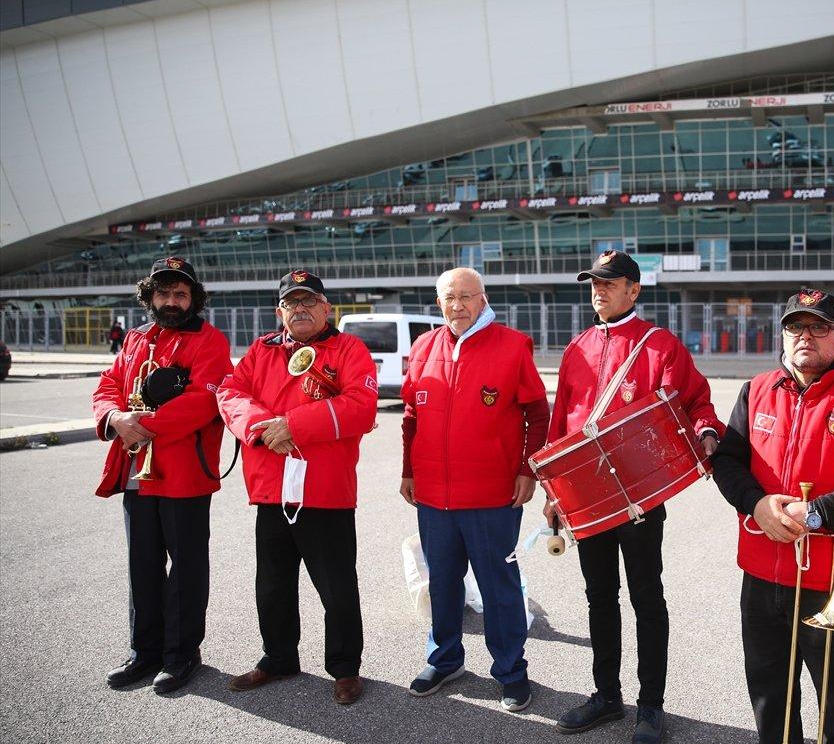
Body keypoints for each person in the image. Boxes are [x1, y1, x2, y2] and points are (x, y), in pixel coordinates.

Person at [712, 289, 834, 744]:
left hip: (829, 579)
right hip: (760, 578)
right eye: (795, 327)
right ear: (783, 335)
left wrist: (818, 513)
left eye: (818, 326)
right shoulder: (756, 389)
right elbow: (727, 462)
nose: (805, 336)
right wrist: (757, 505)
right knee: (769, 697)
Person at [547, 250, 723, 744]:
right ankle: (607, 695)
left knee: (647, 597)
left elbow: (696, 401)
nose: (598, 291)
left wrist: (707, 432)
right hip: (587, 497)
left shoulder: (659, 345)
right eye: (593, 283)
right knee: (598, 597)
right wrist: (555, 491)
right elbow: (561, 425)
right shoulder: (577, 347)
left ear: (634, 289)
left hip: (640, 494)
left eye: (609, 282)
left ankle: (651, 704)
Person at [217, 271, 378, 705]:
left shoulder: (349, 349)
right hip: (272, 488)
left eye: (309, 302)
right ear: (280, 312)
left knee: (336, 586)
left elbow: (361, 408)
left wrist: (294, 425)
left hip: (324, 489)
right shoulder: (260, 350)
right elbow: (230, 393)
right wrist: (261, 428)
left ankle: (345, 668)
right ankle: (278, 656)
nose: (300, 310)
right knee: (272, 584)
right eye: (291, 303)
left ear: (328, 309)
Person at [400, 268, 550, 711]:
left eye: (468, 296)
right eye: (450, 297)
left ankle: (511, 670)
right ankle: (445, 660)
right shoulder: (424, 346)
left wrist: (529, 470)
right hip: (433, 496)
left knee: (498, 586)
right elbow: (411, 415)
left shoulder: (511, 345)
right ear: (439, 302)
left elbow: (537, 416)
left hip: (492, 496)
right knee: (442, 583)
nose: (458, 305)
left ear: (483, 300)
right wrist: (409, 470)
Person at [92, 257, 232, 694]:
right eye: (163, 293)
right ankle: (144, 652)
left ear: (193, 299)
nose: (171, 301)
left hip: (184, 474)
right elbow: (107, 385)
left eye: (180, 294)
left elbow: (202, 402)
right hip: (137, 471)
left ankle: (181, 654)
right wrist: (114, 416)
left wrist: (142, 427)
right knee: (143, 565)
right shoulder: (135, 338)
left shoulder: (210, 340)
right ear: (150, 297)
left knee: (186, 568)